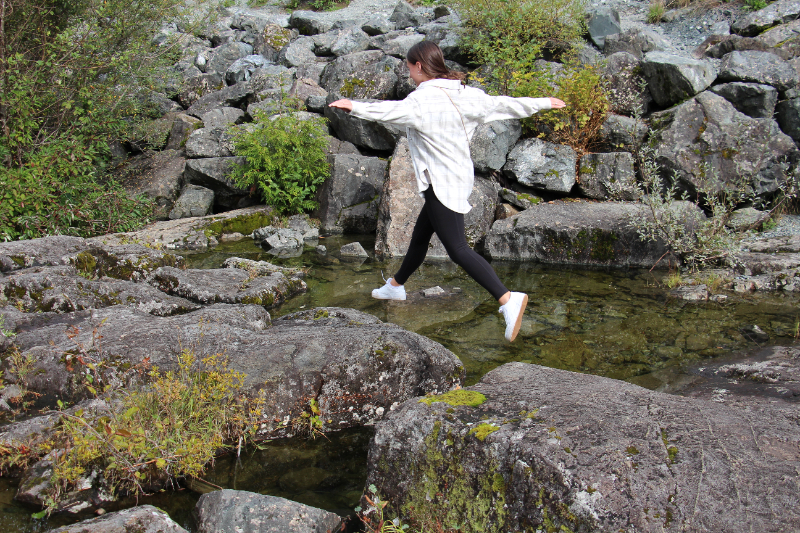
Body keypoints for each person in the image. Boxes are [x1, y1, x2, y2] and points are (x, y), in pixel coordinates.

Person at [329, 41, 566, 342]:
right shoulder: (467, 95)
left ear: (418, 66)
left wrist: (354, 106)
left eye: (408, 66)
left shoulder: (421, 101)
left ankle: (507, 299)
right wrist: (542, 102)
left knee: (458, 249)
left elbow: (390, 111)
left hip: (442, 184)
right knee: (420, 236)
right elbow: (504, 104)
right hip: (454, 178)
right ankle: (396, 284)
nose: (408, 71)